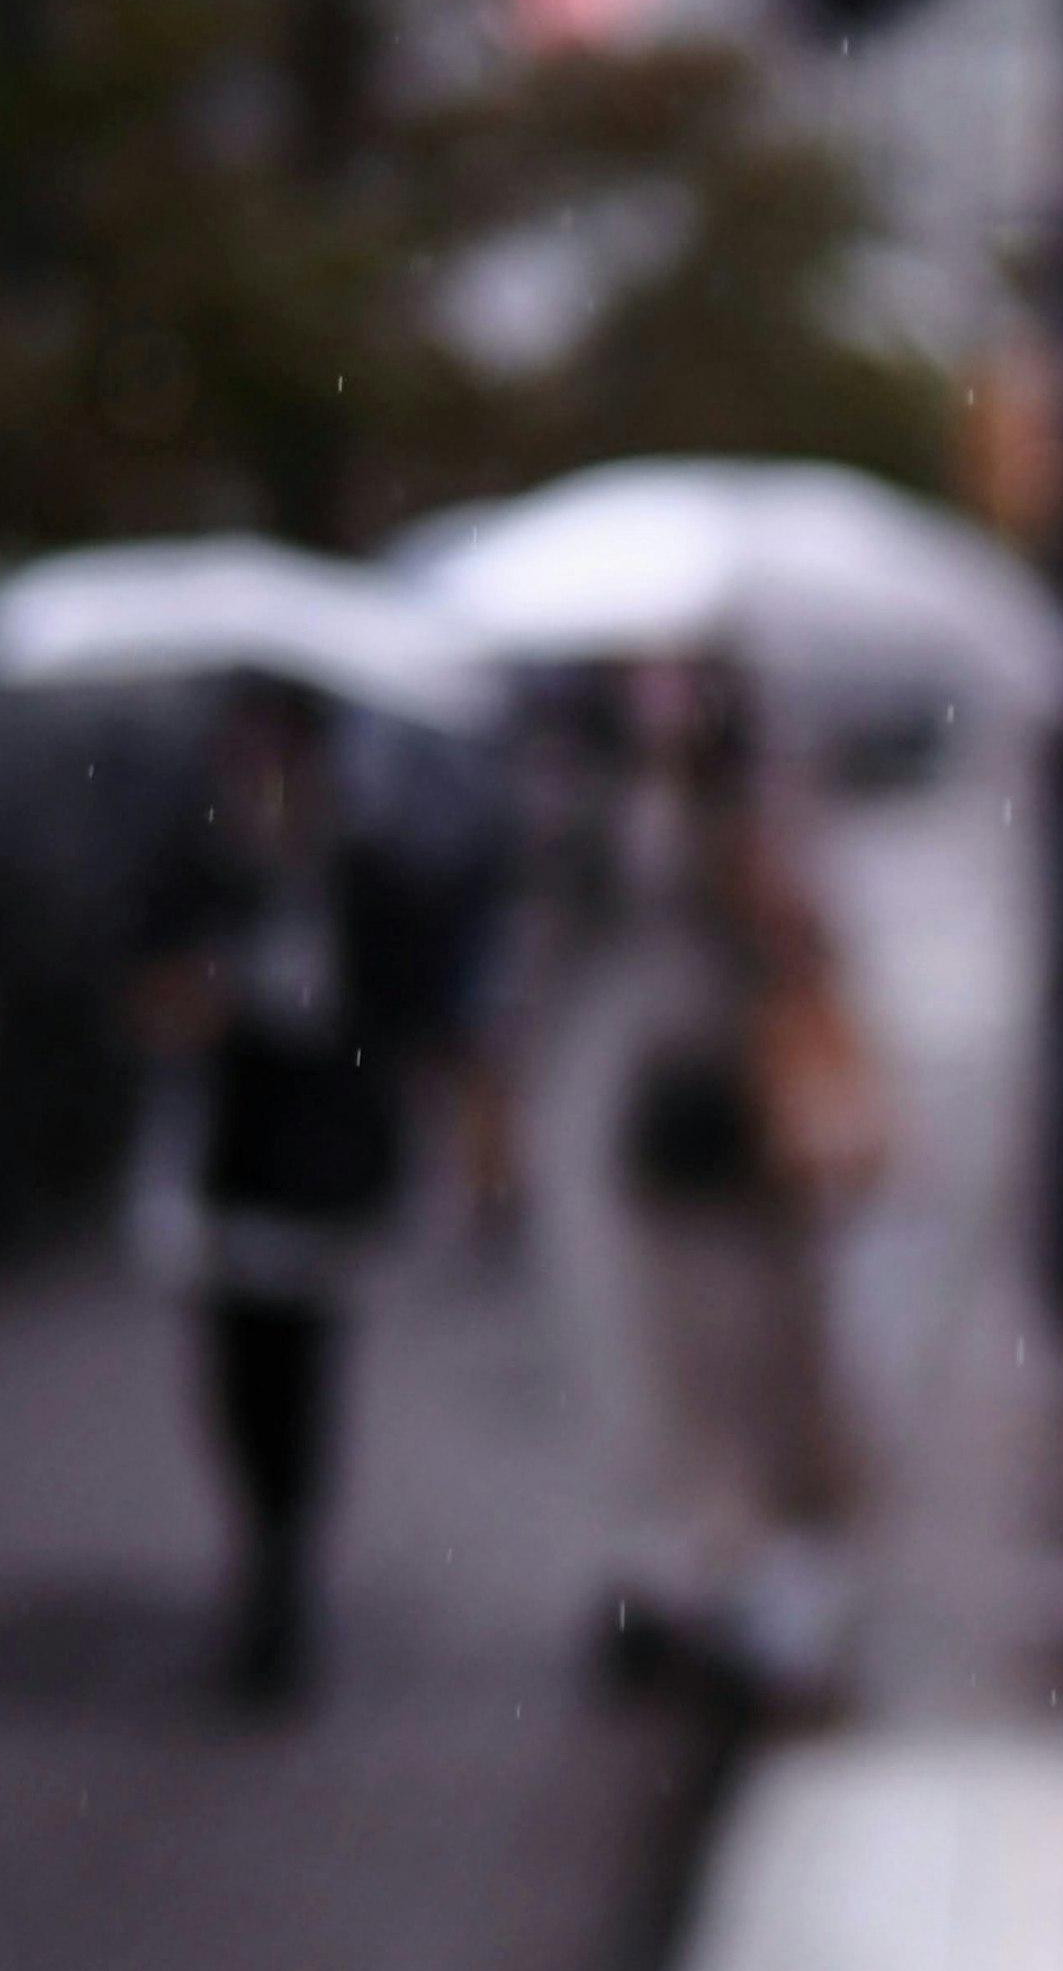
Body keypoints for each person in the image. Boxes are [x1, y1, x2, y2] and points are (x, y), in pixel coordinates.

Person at [515, 658, 883, 1711]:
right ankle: (685, 1573)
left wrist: (751, 881)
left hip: (747, 1124)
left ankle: (760, 1587)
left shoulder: (767, 806)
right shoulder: (598, 804)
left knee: (757, 1363)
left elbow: (813, 941)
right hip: (648, 1123)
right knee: (655, 1358)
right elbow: (561, 948)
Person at [135, 679, 484, 1706]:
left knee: (304, 1374)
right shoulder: (202, 869)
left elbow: (414, 1004)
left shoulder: (363, 870)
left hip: (325, 1159)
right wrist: (209, 986)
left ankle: (285, 1570)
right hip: (228, 1156)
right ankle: (264, 1548)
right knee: (239, 1375)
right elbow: (146, 994)